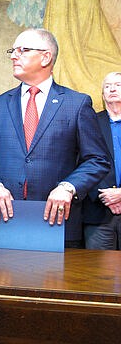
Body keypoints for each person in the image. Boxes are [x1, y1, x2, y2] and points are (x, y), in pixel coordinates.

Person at [0, 28, 110, 247]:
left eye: (22, 50)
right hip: (6, 219)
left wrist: (68, 187)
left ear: (46, 57)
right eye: (13, 50)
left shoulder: (76, 103)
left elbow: (97, 160)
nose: (13, 56)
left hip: (57, 221)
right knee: (3, 281)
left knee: (54, 282)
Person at [82, 72, 121, 249]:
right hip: (98, 212)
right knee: (99, 275)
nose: (112, 89)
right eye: (107, 86)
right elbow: (80, 163)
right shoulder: (89, 122)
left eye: (118, 85)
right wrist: (105, 195)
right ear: (102, 94)